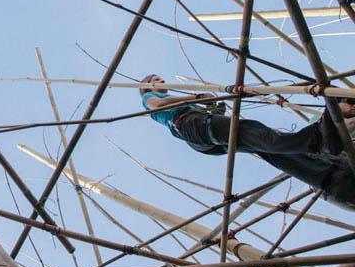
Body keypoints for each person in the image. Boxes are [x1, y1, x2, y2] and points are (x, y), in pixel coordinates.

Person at [140, 74, 355, 209]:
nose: (162, 82)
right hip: (192, 125)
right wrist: (195, 98)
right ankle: (317, 137)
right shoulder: (148, 98)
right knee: (257, 134)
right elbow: (158, 105)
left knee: (263, 148)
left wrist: (212, 108)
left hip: (198, 133)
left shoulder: (178, 111)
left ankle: (321, 169)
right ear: (148, 85)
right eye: (157, 80)